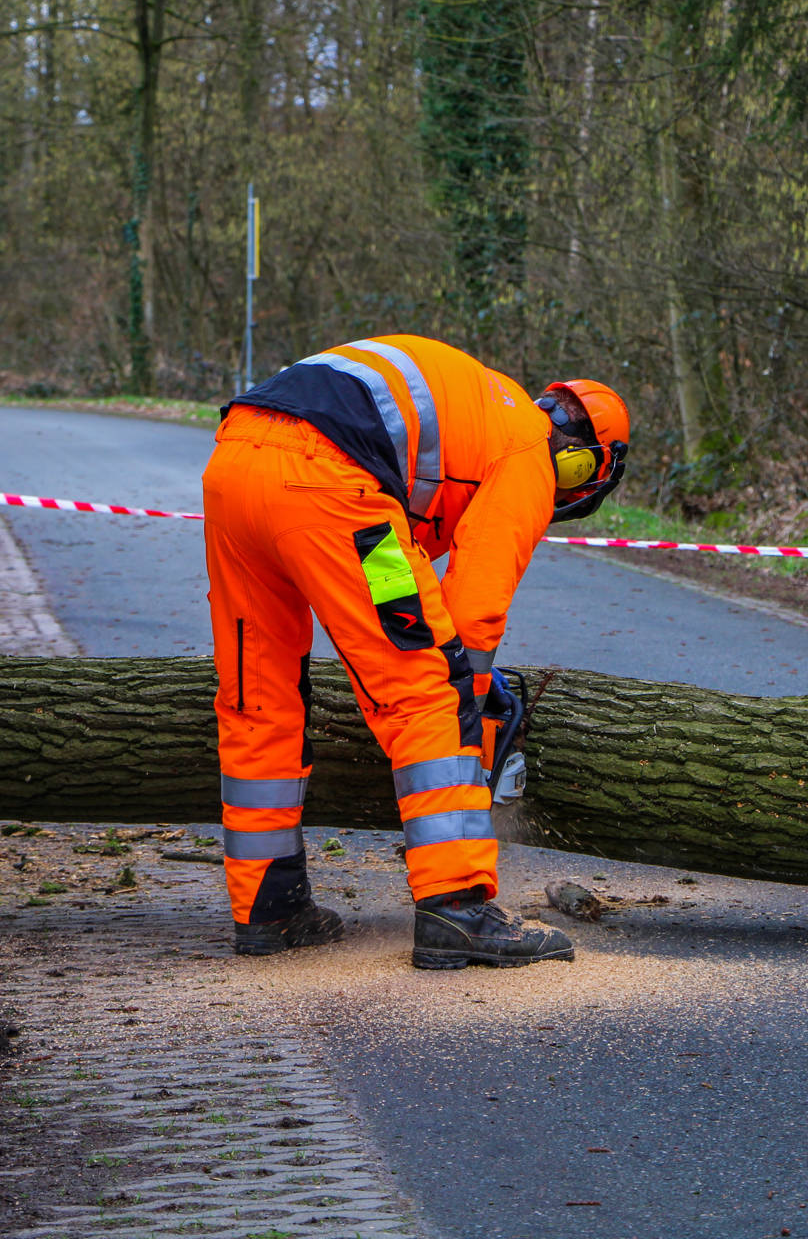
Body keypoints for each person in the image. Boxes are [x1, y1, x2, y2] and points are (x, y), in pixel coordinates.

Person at [201, 334, 630, 970]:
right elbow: (474, 613)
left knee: (256, 695)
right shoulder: (527, 450)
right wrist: (476, 715)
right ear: (584, 461)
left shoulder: (481, 410)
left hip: (234, 465)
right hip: (333, 482)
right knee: (429, 687)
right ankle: (456, 907)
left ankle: (270, 908)